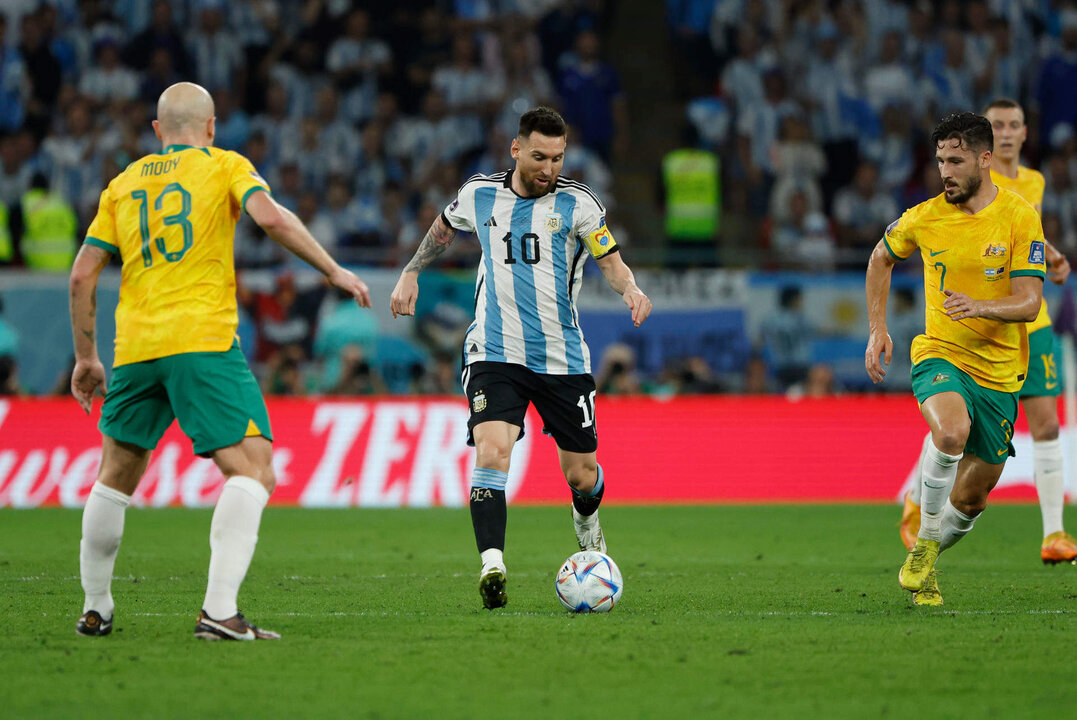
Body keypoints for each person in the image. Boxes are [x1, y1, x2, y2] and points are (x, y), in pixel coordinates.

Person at [69, 82, 371, 640]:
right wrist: (332, 270)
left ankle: (96, 608)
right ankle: (219, 611)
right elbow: (273, 219)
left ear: (158, 132)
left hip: (134, 349)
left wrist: (86, 357)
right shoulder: (225, 164)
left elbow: (83, 273)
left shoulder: (123, 183)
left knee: (113, 478)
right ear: (211, 127)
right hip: (202, 341)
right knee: (254, 468)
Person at [389, 106, 651, 609]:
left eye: (556, 158)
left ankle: (586, 520)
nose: (548, 168)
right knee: (492, 453)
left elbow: (610, 261)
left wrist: (631, 289)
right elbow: (443, 229)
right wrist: (410, 271)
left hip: (562, 358)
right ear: (516, 150)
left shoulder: (580, 205)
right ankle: (492, 566)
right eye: (538, 156)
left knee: (582, 476)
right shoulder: (480, 193)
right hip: (494, 351)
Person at [865, 112, 1045, 606]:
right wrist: (877, 329)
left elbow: (1029, 302)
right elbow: (881, 258)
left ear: (985, 159)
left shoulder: (1019, 216)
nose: (945, 170)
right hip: (941, 353)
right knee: (949, 432)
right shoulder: (925, 216)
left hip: (1001, 371)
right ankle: (924, 546)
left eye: (956, 160)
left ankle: (926, 557)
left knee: (971, 499)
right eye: (941, 159)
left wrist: (981, 305)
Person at [899, 99, 1076, 564]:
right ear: (987, 143)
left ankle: (1054, 532)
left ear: (1022, 133)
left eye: (1016, 124)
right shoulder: (958, 191)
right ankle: (923, 502)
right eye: (999, 124)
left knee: (1046, 423)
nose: (1008, 132)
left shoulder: (1030, 187)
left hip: (1026, 325)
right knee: (951, 426)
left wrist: (1051, 257)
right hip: (960, 333)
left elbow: (1027, 239)